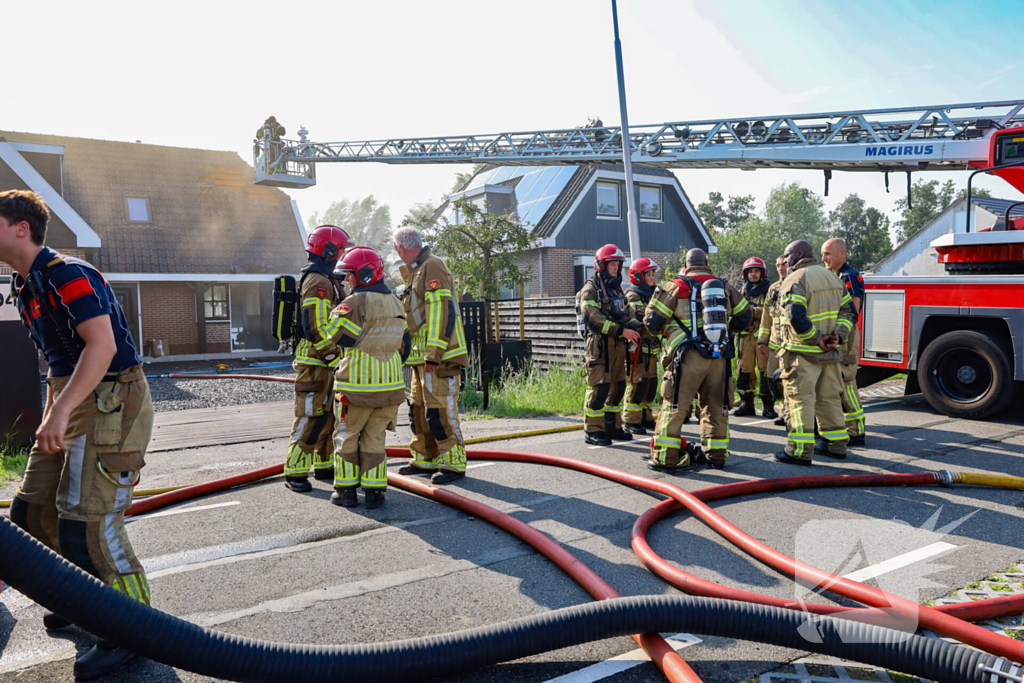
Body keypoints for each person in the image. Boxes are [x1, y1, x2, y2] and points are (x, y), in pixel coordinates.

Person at [1, 190, 152, 679]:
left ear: (21, 228)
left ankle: (132, 629)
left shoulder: (68, 274)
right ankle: (83, 598)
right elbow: (59, 361)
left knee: (88, 526)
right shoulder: (24, 284)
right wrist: (54, 412)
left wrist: (62, 410)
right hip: (71, 396)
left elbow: (101, 347)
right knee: (30, 513)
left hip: (111, 399)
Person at [645, 248, 752, 472]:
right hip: (719, 356)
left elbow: (652, 321)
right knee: (716, 407)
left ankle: (665, 458)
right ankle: (716, 456)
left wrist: (667, 331)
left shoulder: (675, 285)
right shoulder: (723, 286)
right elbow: (746, 315)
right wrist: (728, 333)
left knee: (675, 406)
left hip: (687, 357)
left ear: (686, 264)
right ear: (706, 263)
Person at [325, 247, 411, 508]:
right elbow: (405, 345)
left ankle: (346, 491)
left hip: (356, 389)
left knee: (347, 436)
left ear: (363, 274)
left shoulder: (356, 301)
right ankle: (374, 493)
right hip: (390, 387)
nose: (347, 281)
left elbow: (339, 335)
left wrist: (338, 309)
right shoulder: (396, 301)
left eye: (349, 275)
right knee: (376, 438)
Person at [392, 227, 470, 485]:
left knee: (440, 412)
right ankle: (426, 458)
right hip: (420, 360)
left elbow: (440, 310)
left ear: (401, 247)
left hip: (439, 359)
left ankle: (453, 462)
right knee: (418, 411)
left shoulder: (432, 266)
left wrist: (434, 354)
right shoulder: (416, 270)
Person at [283, 225, 354, 493]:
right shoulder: (319, 282)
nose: (342, 256)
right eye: (340, 250)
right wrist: (335, 359)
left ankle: (324, 464)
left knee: (327, 418)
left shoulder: (326, 279)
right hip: (316, 363)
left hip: (323, 364)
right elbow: (316, 327)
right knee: (310, 417)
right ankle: (295, 471)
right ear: (328, 251)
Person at [774, 240, 856, 466]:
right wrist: (838, 335)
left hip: (803, 356)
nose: (785, 260)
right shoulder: (832, 277)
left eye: (787, 255)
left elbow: (796, 317)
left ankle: (799, 451)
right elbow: (849, 312)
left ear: (799, 253)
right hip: (830, 355)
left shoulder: (795, 279)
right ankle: (835, 445)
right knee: (829, 399)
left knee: (800, 401)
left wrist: (817, 338)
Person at [578, 244, 643, 446]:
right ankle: (593, 430)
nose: (616, 268)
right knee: (599, 388)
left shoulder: (616, 290)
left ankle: (612, 426)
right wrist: (622, 331)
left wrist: (638, 326)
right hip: (599, 346)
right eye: (612, 264)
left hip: (617, 346)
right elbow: (594, 318)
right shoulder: (590, 290)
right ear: (600, 265)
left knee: (618, 387)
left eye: (618, 264)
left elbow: (627, 313)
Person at [821, 237, 866, 447]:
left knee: (846, 381)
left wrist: (840, 335)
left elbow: (852, 311)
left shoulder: (848, 275)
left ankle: (856, 430)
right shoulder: (835, 276)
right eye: (823, 254)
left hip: (846, 335)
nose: (824, 258)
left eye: (828, 254)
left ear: (842, 254)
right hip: (840, 334)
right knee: (838, 381)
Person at [623, 258, 661, 434]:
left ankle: (646, 417)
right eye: (649, 275)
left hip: (651, 349)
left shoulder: (654, 294)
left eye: (653, 274)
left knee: (651, 385)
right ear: (638, 276)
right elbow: (642, 316)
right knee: (638, 384)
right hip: (637, 349)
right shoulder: (633, 295)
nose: (653, 278)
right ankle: (631, 420)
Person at [734, 257, 773, 417]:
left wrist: (753, 311)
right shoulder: (742, 291)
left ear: (762, 273)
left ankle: (768, 406)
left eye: (756, 271)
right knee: (745, 371)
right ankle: (747, 404)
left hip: (763, 338)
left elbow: (771, 312)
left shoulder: (769, 291)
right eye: (750, 271)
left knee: (766, 371)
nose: (753, 274)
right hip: (745, 338)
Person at [758, 256, 789, 426]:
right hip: (774, 345)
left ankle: (787, 414)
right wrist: (762, 341)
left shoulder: (797, 284)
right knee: (772, 379)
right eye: (778, 265)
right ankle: (783, 409)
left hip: (790, 345)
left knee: (789, 381)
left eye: (784, 264)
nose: (781, 268)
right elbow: (766, 317)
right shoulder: (773, 289)